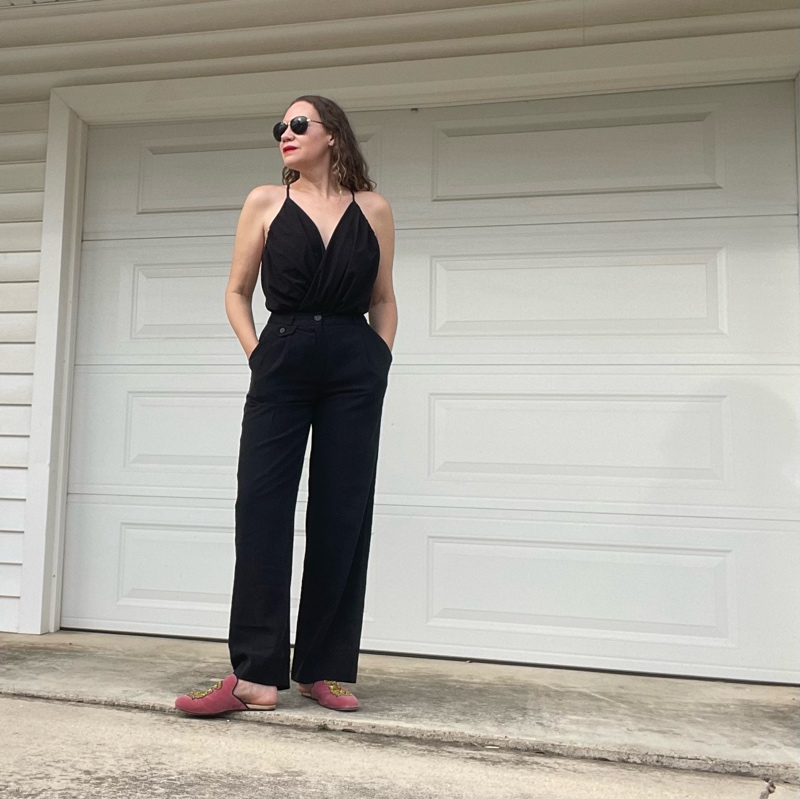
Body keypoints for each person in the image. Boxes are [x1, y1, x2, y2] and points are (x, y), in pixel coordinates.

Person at [174, 95, 397, 716]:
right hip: (284, 357)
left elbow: (383, 298)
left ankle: (324, 668)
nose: (286, 134)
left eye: (299, 125)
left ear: (333, 136)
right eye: (280, 127)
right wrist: (258, 355)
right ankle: (256, 676)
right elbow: (237, 290)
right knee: (264, 507)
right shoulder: (266, 202)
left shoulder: (373, 209)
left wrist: (377, 361)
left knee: (342, 511)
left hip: (354, 368)